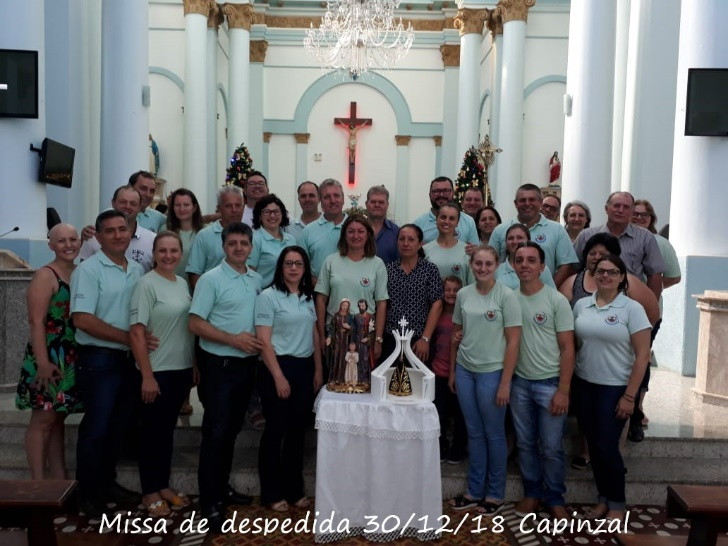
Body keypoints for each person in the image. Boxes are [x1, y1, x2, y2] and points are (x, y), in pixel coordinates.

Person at [188, 222, 264, 533]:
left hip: (246, 366)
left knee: (231, 430)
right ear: (223, 247)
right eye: (232, 243)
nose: (238, 248)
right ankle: (209, 502)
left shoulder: (256, 279)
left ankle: (222, 488)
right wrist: (233, 340)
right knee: (216, 433)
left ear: (251, 247)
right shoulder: (211, 279)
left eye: (244, 243)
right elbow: (195, 323)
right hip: (219, 365)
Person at [559, 232, 659, 467]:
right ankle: (587, 453)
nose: (597, 258)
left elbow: (652, 314)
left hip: (618, 373)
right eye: (592, 253)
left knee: (610, 434)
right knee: (588, 420)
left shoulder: (630, 287)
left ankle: (615, 462)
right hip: (585, 370)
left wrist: (635, 342)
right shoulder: (575, 285)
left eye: (602, 254)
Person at [70, 210, 145, 516]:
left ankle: (107, 482)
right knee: (97, 427)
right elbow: (82, 319)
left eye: (122, 229)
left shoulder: (137, 269)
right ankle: (87, 494)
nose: (118, 235)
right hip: (99, 358)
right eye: (110, 231)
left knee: (118, 425)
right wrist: (128, 338)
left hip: (129, 359)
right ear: (98, 237)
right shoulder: (88, 270)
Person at [572, 254, 651, 522]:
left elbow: (642, 356)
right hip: (584, 385)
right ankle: (603, 499)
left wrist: (630, 396)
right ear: (593, 274)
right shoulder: (581, 305)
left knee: (607, 446)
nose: (605, 275)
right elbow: (576, 344)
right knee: (594, 446)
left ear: (622, 277)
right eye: (601, 271)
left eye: (612, 271)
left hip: (615, 388)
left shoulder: (632, 309)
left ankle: (617, 503)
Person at [448, 246, 521, 515]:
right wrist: (453, 371)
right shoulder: (464, 294)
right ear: (471, 264)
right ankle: (474, 491)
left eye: (488, 264)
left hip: (492, 372)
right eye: (478, 263)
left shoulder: (506, 296)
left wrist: (505, 382)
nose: (483, 268)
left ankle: (495, 494)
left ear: (497, 265)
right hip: (465, 370)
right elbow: (456, 334)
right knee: (474, 432)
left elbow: (513, 342)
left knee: (494, 434)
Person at [129, 232, 195, 516]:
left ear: (180, 254)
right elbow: (137, 332)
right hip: (157, 371)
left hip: (180, 369)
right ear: (154, 254)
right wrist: (147, 375)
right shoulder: (146, 284)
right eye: (162, 251)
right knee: (151, 434)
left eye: (173, 251)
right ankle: (149, 491)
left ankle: (163, 485)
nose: (168, 256)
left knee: (166, 432)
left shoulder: (181, 283)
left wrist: (194, 365)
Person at [255, 246, 323, 512]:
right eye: (288, 263)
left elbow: (314, 334)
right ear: (280, 267)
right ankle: (271, 492)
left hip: (304, 368)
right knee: (276, 430)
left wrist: (318, 369)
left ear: (305, 268)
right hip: (277, 367)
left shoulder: (307, 297)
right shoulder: (268, 297)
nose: (293, 268)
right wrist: (279, 377)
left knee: (297, 432)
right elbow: (263, 341)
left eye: (298, 263)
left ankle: (294, 489)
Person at [510, 242, 574, 519]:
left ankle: (555, 497)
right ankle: (532, 493)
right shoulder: (509, 299)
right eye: (519, 260)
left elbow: (568, 348)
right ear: (513, 265)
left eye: (531, 260)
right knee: (525, 443)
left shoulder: (556, 300)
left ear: (542, 267)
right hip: (519, 384)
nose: (524, 265)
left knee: (551, 447)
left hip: (550, 384)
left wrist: (563, 390)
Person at [16, 224, 83, 480]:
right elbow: (36, 322)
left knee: (57, 418)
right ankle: (38, 484)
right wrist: (43, 363)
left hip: (69, 357)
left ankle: (58, 477)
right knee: (42, 420)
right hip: (49, 357)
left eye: (72, 239)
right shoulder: (46, 275)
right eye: (61, 241)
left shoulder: (78, 272)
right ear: (51, 245)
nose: (68, 245)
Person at [315, 215, 388, 390]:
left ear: (368, 235)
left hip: (364, 333)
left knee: (362, 384)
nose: (356, 236)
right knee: (336, 383)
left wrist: (378, 339)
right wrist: (322, 335)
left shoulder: (377, 264)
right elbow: (321, 299)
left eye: (361, 231)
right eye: (351, 231)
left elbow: (381, 303)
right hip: (336, 332)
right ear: (344, 235)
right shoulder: (331, 261)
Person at [630, 199, 681, 439]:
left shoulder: (660, 243)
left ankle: (638, 407)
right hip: (616, 310)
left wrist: (648, 292)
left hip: (648, 313)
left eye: (645, 214)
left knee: (641, 357)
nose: (639, 217)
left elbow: (673, 277)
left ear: (652, 218)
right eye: (636, 213)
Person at [574, 192, 665, 300]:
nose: (620, 210)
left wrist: (651, 303)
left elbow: (655, 274)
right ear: (606, 208)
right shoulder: (586, 236)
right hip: (591, 299)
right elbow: (574, 268)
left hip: (630, 300)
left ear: (632, 211)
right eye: (616, 206)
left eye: (626, 207)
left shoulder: (645, 237)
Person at [489, 184, 578, 287]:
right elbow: (489, 262)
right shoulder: (500, 230)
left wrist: (548, 289)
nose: (527, 204)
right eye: (522, 200)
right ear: (515, 203)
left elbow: (566, 264)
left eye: (532, 200)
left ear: (540, 202)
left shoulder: (557, 230)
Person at [383, 224, 443, 363]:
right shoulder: (388, 270)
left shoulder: (430, 270)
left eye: (411, 239)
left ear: (420, 244)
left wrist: (425, 339)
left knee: (417, 376)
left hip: (419, 339)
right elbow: (382, 304)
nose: (405, 243)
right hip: (391, 337)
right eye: (402, 239)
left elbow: (437, 304)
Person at [430, 276, 468, 464]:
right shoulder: (436, 313)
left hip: (459, 371)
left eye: (455, 290)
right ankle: (441, 447)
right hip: (438, 370)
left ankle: (458, 449)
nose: (451, 294)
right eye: (448, 289)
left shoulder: (464, 315)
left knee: (460, 414)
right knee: (440, 413)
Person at [79, 185, 156, 272]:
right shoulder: (93, 236)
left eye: (133, 204)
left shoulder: (152, 240)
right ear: (113, 203)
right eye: (123, 202)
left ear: (139, 207)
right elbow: (83, 270)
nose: (127, 206)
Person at [186, 185, 244, 289]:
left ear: (243, 207)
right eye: (228, 206)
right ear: (219, 208)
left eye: (238, 205)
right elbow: (194, 274)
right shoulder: (204, 236)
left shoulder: (251, 235)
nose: (234, 210)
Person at [301, 178, 348, 278]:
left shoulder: (356, 228)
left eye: (336, 195)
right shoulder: (308, 231)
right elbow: (301, 265)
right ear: (320, 201)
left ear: (343, 199)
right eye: (327, 197)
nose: (332, 200)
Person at [413, 176, 479, 246]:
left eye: (446, 191)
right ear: (430, 195)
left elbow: (475, 250)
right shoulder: (419, 224)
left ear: (453, 193)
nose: (441, 195)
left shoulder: (468, 222)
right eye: (436, 191)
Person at [248, 194, 296, 287]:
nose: (272, 215)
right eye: (267, 212)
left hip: (288, 292)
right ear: (259, 215)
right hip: (263, 292)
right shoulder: (254, 239)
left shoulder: (291, 240)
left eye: (276, 211)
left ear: (282, 214)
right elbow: (250, 272)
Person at [423, 203, 473, 286]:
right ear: (436, 220)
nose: (446, 221)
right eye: (443, 217)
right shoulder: (425, 250)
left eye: (452, 218)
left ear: (457, 223)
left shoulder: (467, 251)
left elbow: (472, 286)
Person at [495, 223, 556, 290]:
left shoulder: (540, 268)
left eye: (520, 238)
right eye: (510, 238)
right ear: (506, 243)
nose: (515, 241)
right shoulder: (497, 270)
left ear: (528, 241)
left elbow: (552, 294)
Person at [166, 188, 205, 280]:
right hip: (170, 283)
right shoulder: (165, 230)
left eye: (186, 205)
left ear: (194, 207)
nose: (182, 209)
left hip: (199, 284)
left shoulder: (205, 231)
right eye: (177, 205)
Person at [365, 185, 399, 264]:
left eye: (381, 202)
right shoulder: (357, 231)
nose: (377, 205)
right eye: (373, 202)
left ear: (387, 205)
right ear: (366, 204)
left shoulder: (397, 232)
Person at [325, 299, 353, 384]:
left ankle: (344, 379)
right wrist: (329, 337)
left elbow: (354, 328)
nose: (344, 307)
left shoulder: (349, 317)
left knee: (345, 357)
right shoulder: (336, 316)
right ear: (340, 305)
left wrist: (349, 327)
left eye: (346, 306)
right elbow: (332, 328)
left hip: (346, 340)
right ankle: (334, 378)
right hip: (337, 339)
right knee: (336, 356)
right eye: (343, 305)